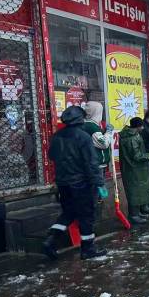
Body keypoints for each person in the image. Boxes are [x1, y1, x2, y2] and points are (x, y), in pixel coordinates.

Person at [42, 105, 108, 260]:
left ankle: (51, 239)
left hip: (63, 183)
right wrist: (99, 183)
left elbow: (51, 156)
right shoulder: (83, 137)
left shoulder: (57, 136)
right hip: (82, 183)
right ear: (80, 119)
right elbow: (91, 163)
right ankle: (88, 249)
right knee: (86, 215)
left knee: (69, 212)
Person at [119, 118, 149, 224]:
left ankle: (138, 212)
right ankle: (133, 215)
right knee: (134, 192)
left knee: (139, 191)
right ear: (137, 126)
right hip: (133, 169)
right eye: (141, 126)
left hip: (137, 169)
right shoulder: (131, 138)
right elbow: (137, 156)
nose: (143, 128)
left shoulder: (135, 135)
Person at [81, 101, 112, 174]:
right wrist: (108, 132)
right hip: (95, 164)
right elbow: (104, 143)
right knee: (98, 184)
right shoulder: (92, 127)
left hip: (90, 162)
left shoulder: (85, 124)